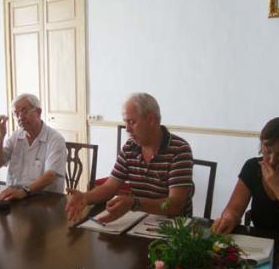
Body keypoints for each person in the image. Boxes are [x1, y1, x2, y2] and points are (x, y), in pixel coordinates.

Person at [66, 93, 194, 223]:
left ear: (151, 119)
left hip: (173, 228)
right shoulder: (130, 147)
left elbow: (175, 204)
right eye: (125, 122)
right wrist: (85, 197)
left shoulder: (179, 149)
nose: (127, 129)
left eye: (131, 122)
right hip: (139, 222)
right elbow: (109, 187)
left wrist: (134, 204)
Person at [212, 117, 279, 235]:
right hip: (260, 242)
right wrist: (229, 218)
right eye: (268, 151)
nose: (272, 160)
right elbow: (234, 208)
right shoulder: (253, 167)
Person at [0, 93, 66, 201]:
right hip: (15, 197)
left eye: (24, 111)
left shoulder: (55, 139)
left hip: (44, 200)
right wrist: (1, 136)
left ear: (38, 112)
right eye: (16, 114)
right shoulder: (16, 136)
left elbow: (50, 175)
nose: (20, 117)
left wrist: (24, 192)